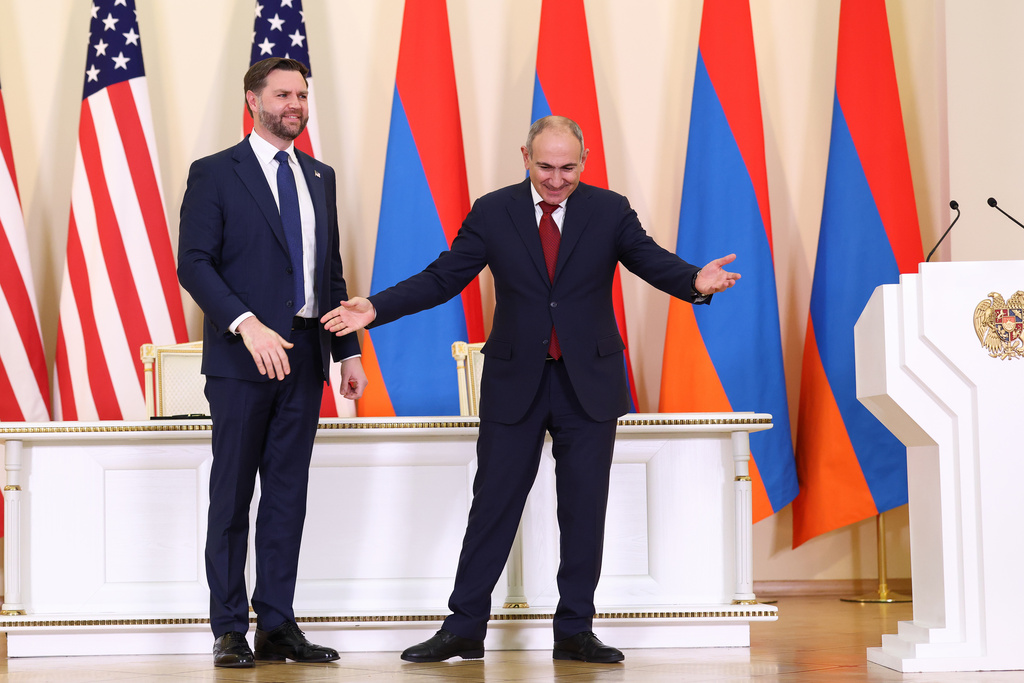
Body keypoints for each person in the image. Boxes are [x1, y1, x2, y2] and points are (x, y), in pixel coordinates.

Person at [321, 115, 740, 664]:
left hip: (587, 382)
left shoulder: (608, 210)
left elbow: (649, 259)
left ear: (584, 161)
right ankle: (465, 627)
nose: (557, 178)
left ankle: (574, 631)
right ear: (525, 156)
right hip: (515, 380)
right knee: (493, 505)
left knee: (584, 510)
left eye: (568, 167)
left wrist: (692, 282)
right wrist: (376, 308)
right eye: (546, 166)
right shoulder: (494, 210)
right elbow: (445, 275)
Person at [177, 57, 367, 669]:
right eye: (284, 94)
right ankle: (230, 627)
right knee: (232, 495)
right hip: (241, 360)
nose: (297, 104)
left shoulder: (321, 175)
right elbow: (195, 263)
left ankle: (278, 625)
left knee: (288, 495)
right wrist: (245, 322)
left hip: (307, 359)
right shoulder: (215, 174)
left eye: (303, 95)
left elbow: (328, 270)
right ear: (253, 100)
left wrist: (347, 350)